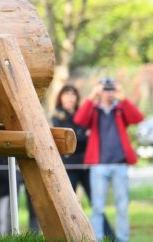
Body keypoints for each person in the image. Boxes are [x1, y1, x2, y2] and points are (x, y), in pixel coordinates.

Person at [74, 77, 144, 242]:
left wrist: (123, 97)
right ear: (100, 91)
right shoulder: (94, 110)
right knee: (97, 207)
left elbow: (137, 118)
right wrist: (92, 96)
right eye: (105, 89)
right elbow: (79, 120)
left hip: (120, 165)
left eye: (111, 89)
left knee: (122, 206)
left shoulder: (120, 110)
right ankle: (96, 239)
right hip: (99, 166)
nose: (108, 93)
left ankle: (122, 239)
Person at [52, 83, 114, 239]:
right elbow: (67, 140)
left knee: (96, 203)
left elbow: (91, 136)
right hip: (68, 167)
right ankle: (69, 235)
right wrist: (83, 135)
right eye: (66, 94)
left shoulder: (83, 112)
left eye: (73, 94)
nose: (70, 97)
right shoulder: (57, 116)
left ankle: (109, 237)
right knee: (69, 205)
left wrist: (82, 136)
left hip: (86, 166)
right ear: (61, 97)